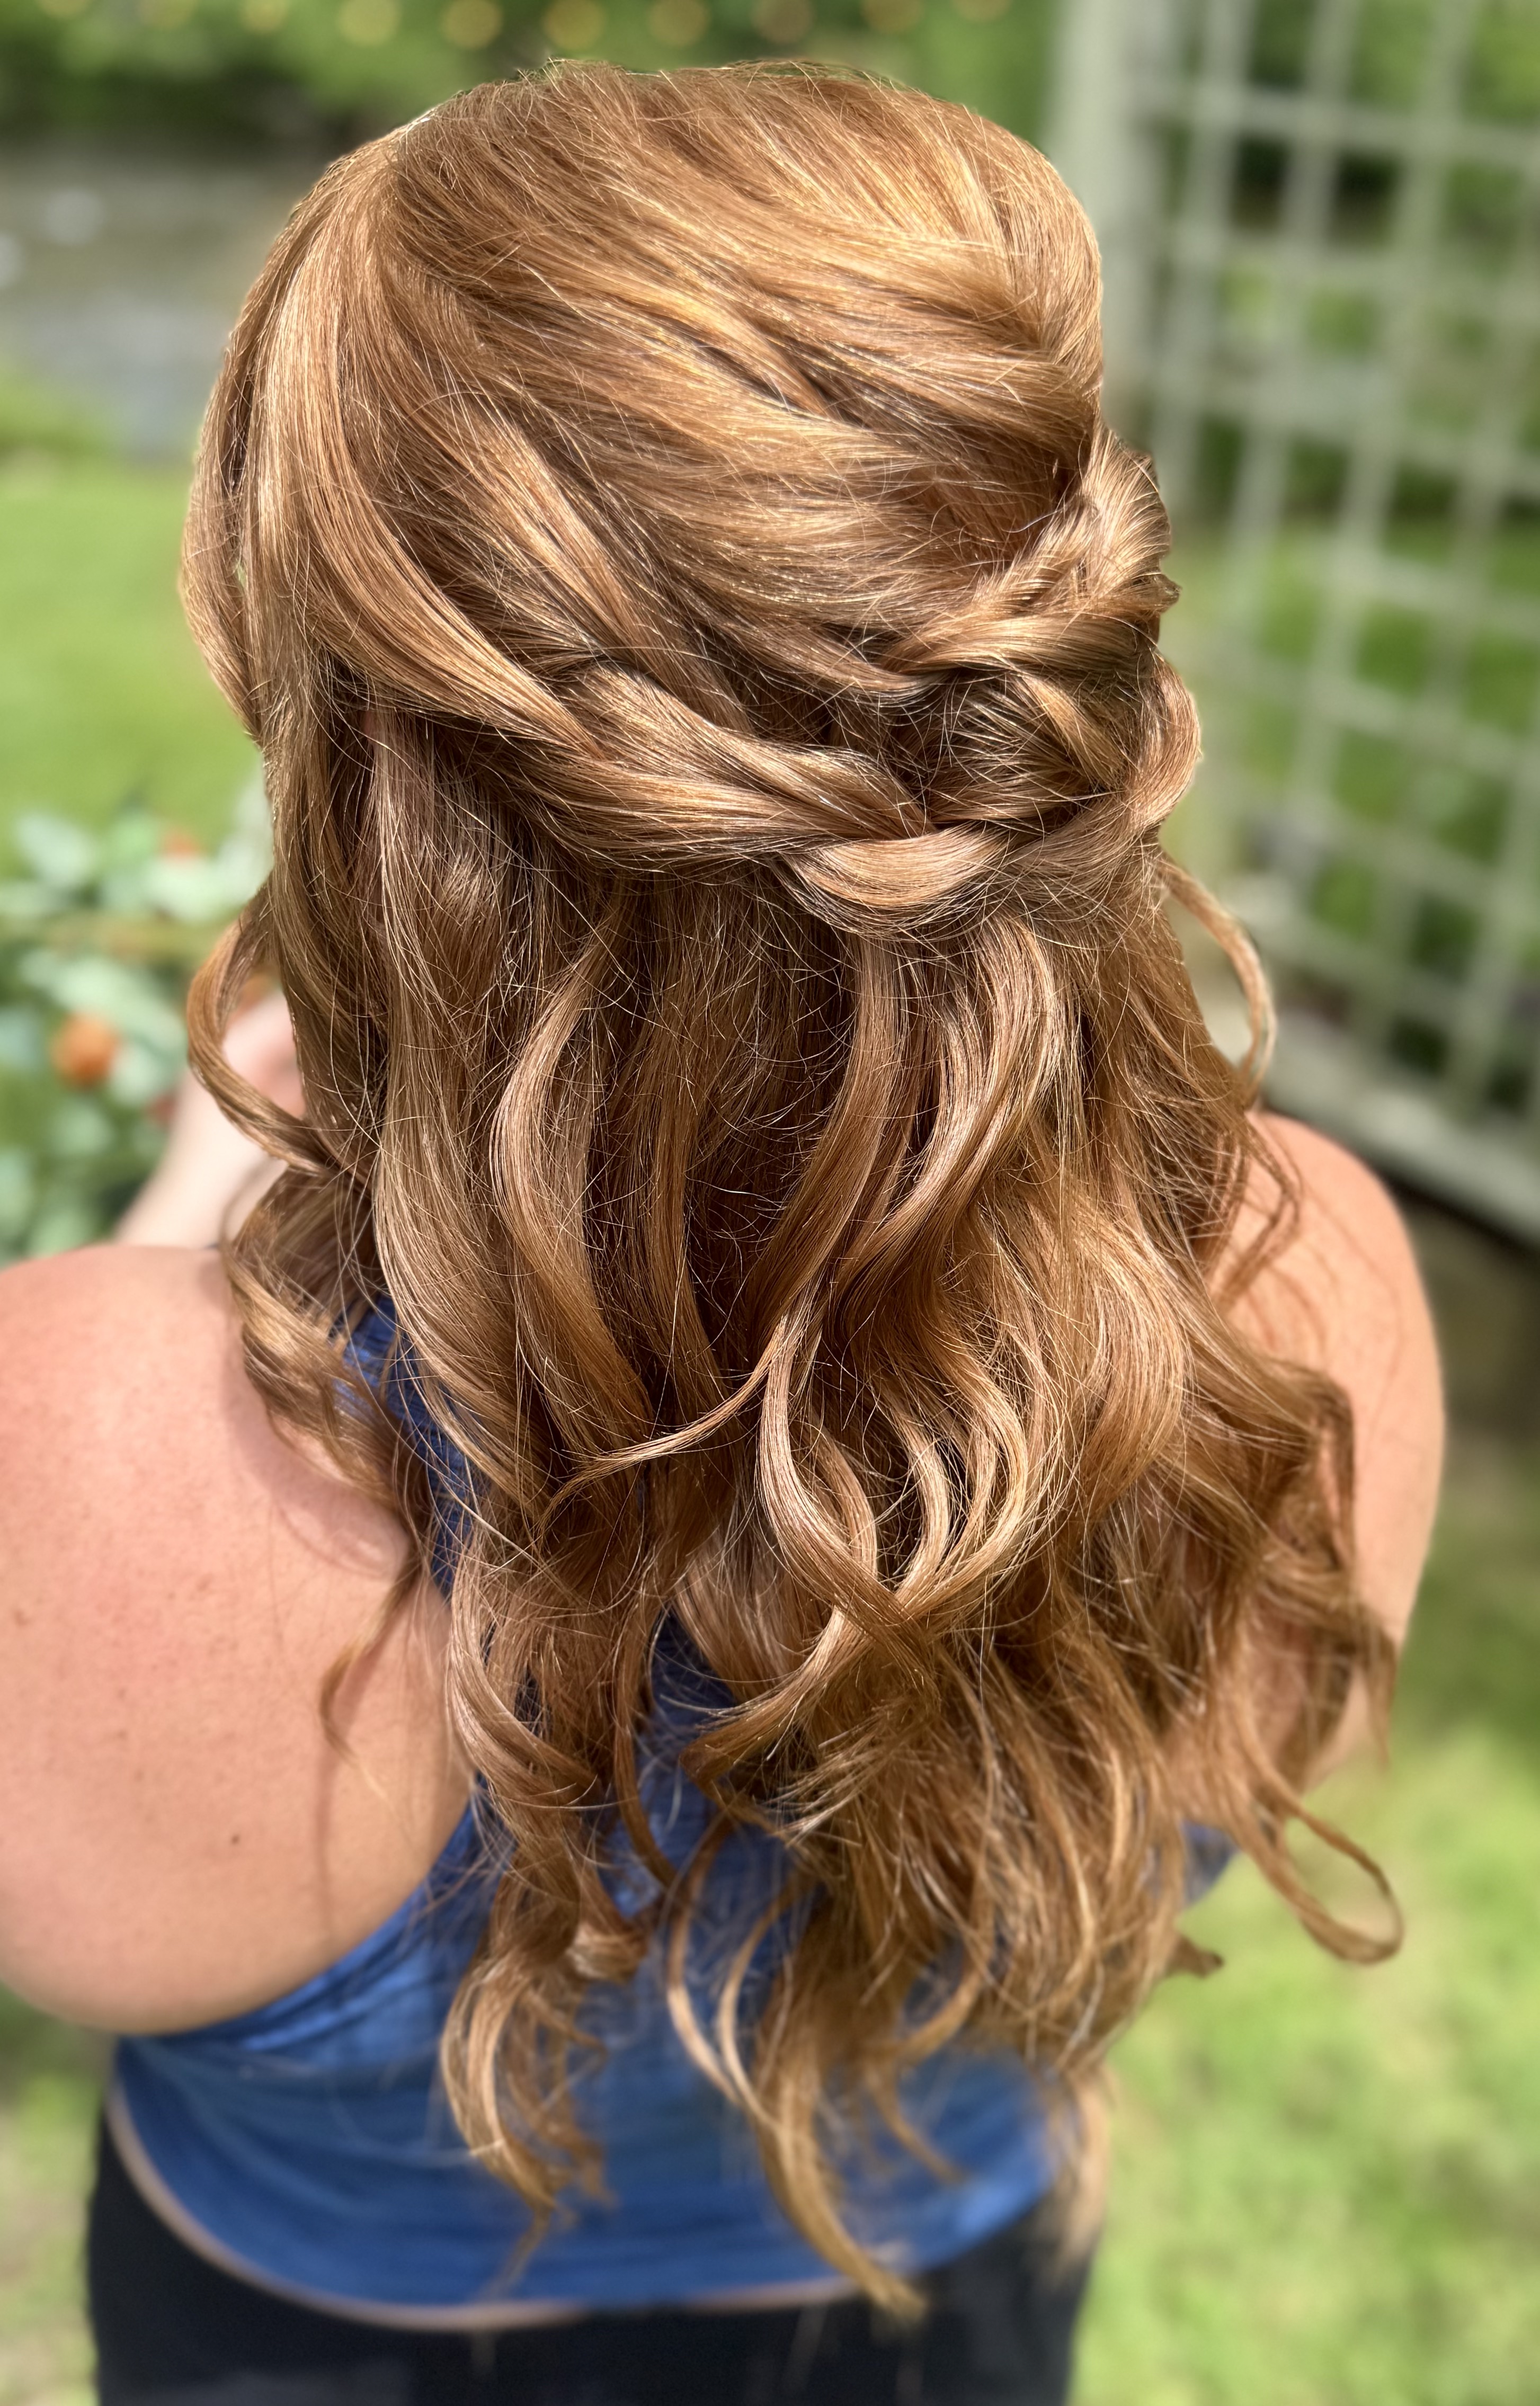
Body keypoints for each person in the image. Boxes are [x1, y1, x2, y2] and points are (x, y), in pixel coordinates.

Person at [0, 64, 1442, 2406]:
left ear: (345, 743)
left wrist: (201, 1188)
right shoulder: (1312, 1295)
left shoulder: (76, 1447)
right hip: (940, 2311)